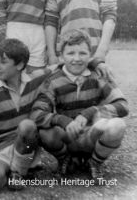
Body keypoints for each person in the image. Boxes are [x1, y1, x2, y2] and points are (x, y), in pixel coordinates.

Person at [30, 29, 128, 181]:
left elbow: (122, 105)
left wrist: (91, 111)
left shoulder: (98, 75)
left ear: (90, 56)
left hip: (91, 136)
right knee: (45, 132)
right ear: (62, 56)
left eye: (82, 53)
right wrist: (63, 120)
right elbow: (36, 113)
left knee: (118, 125)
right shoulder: (53, 80)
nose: (77, 59)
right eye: (70, 53)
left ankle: (94, 162)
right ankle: (65, 159)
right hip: (68, 137)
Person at [0, 39, 52, 191]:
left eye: (3, 62)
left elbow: (59, 67)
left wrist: (95, 63)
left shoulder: (34, 81)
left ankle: (19, 172)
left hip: (26, 146)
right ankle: (9, 171)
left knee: (27, 126)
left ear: (20, 65)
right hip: (0, 147)